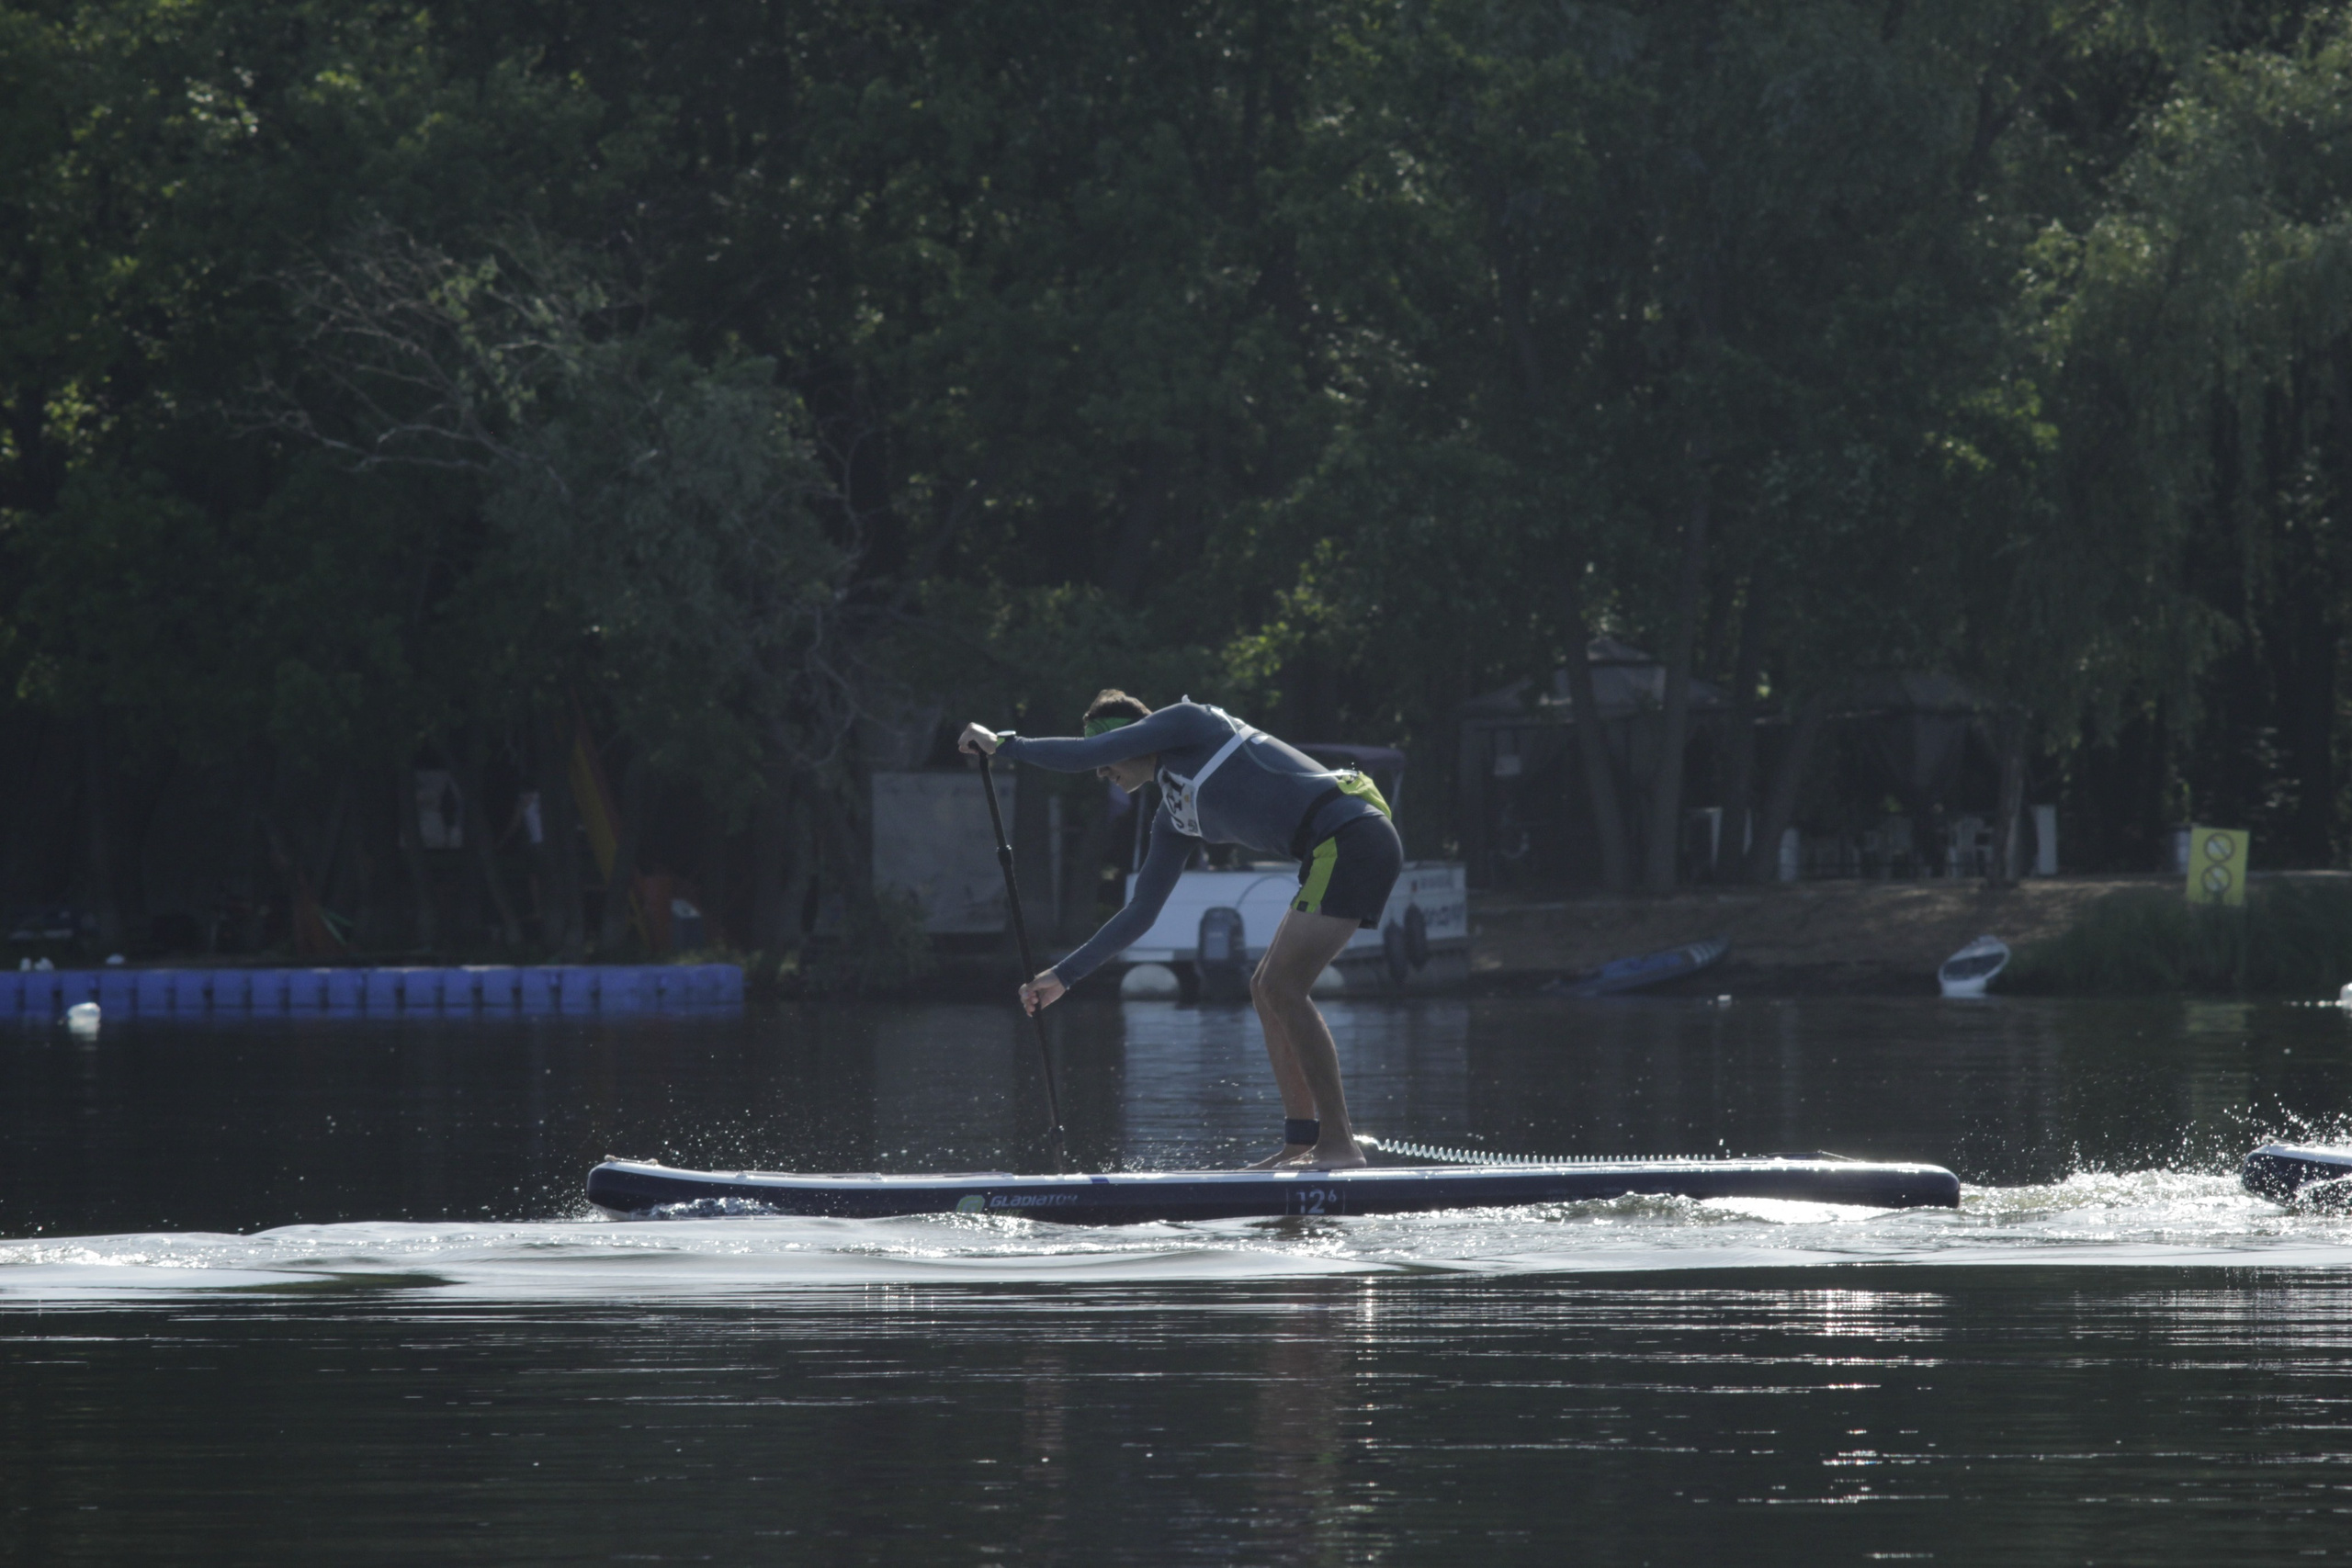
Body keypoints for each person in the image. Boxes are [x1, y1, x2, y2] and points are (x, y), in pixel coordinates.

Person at [958, 690, 1402, 1169]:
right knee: (1264, 988)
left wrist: (1002, 744)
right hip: (1328, 850)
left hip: (1353, 837)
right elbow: (1141, 913)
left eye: (1108, 754)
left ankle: (1339, 1145)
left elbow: (1083, 753)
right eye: (1099, 761)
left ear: (1133, 739)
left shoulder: (1195, 723)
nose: (1101, 769)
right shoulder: (1173, 817)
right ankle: (1300, 1144)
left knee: (1282, 986)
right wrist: (1063, 976)